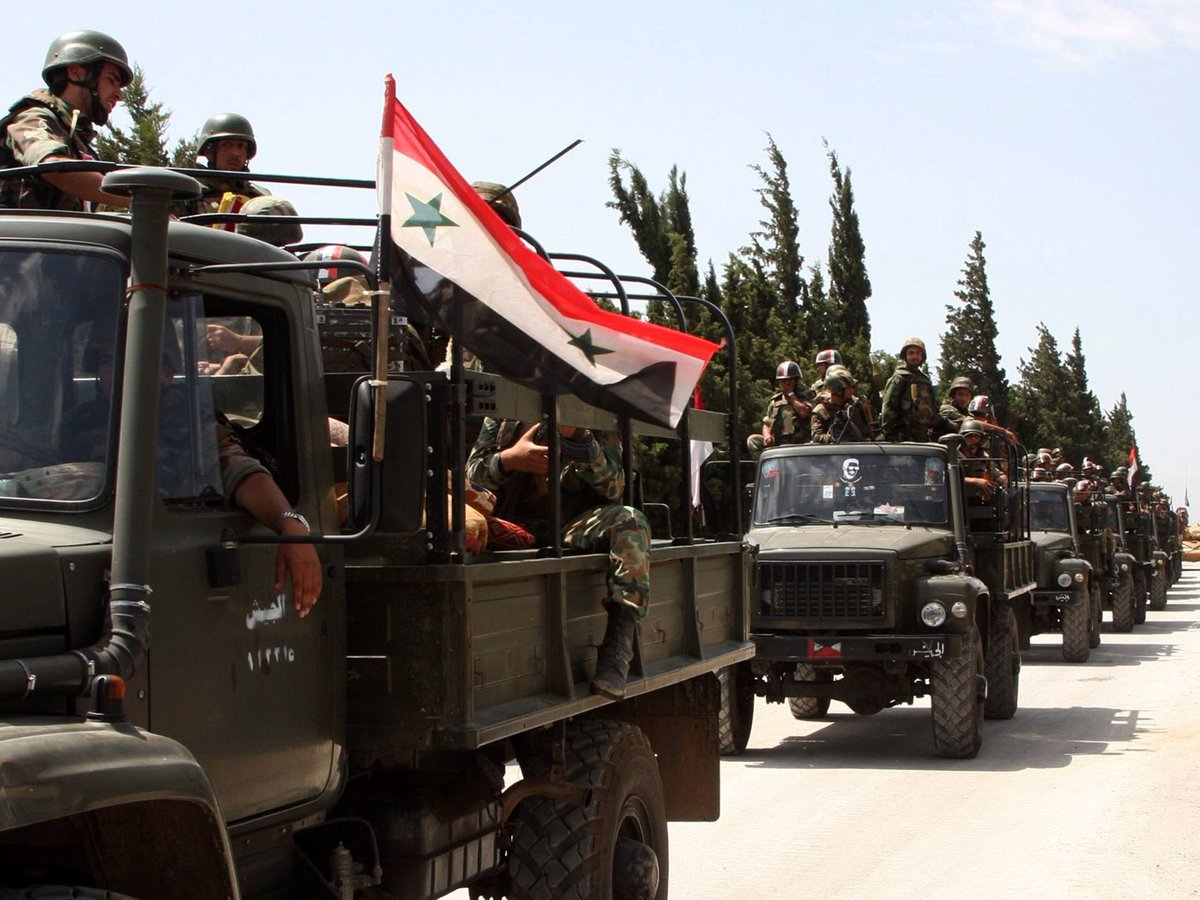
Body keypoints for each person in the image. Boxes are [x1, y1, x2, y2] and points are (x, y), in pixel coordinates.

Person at [466, 418, 650, 699]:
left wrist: (579, 440)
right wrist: (509, 460)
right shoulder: (503, 413)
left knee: (631, 521)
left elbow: (615, 487)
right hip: (509, 524)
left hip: (571, 525)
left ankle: (618, 647)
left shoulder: (594, 414)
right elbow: (471, 479)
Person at [0, 30, 132, 210]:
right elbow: (53, 166)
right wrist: (135, 199)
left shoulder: (77, 141)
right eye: (111, 80)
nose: (119, 95)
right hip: (23, 228)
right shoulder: (32, 117)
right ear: (76, 73)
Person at [175, 113, 269, 218]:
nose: (235, 153)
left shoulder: (260, 198)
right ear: (209, 151)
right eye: (226, 145)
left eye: (241, 146)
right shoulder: (188, 193)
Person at [879, 337, 951, 442]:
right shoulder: (899, 378)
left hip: (923, 434)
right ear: (905, 356)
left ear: (922, 356)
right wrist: (889, 433)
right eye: (911, 353)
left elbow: (932, 411)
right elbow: (888, 407)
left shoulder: (925, 380)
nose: (914, 356)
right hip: (902, 434)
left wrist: (948, 424)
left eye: (918, 353)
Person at [747, 360, 813, 454]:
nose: (784, 385)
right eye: (782, 381)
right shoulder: (776, 401)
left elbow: (804, 413)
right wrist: (767, 436)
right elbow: (767, 423)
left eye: (788, 382)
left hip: (800, 444)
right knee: (753, 440)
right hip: (779, 443)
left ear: (795, 381)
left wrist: (791, 396)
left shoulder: (805, 396)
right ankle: (765, 463)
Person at [810, 370, 873, 443]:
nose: (852, 391)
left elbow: (867, 432)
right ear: (838, 389)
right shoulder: (821, 411)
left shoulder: (854, 407)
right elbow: (817, 437)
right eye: (848, 388)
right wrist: (832, 438)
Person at [959, 418, 1006, 499]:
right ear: (963, 438)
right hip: (957, 499)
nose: (973, 439)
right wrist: (976, 481)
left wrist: (1001, 480)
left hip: (979, 500)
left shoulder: (984, 457)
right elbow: (949, 479)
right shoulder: (954, 455)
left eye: (976, 436)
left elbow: (998, 474)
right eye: (969, 436)